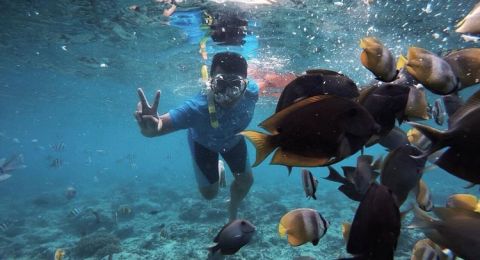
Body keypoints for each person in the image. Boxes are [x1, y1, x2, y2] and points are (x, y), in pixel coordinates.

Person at [134, 52, 258, 221]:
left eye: (235, 85)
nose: (228, 94)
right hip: (203, 143)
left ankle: (232, 210)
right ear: (210, 82)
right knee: (209, 194)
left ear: (245, 84)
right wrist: (152, 127)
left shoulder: (252, 93)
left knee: (246, 182)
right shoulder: (196, 108)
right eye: (220, 84)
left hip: (233, 141)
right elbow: (158, 127)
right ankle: (217, 164)